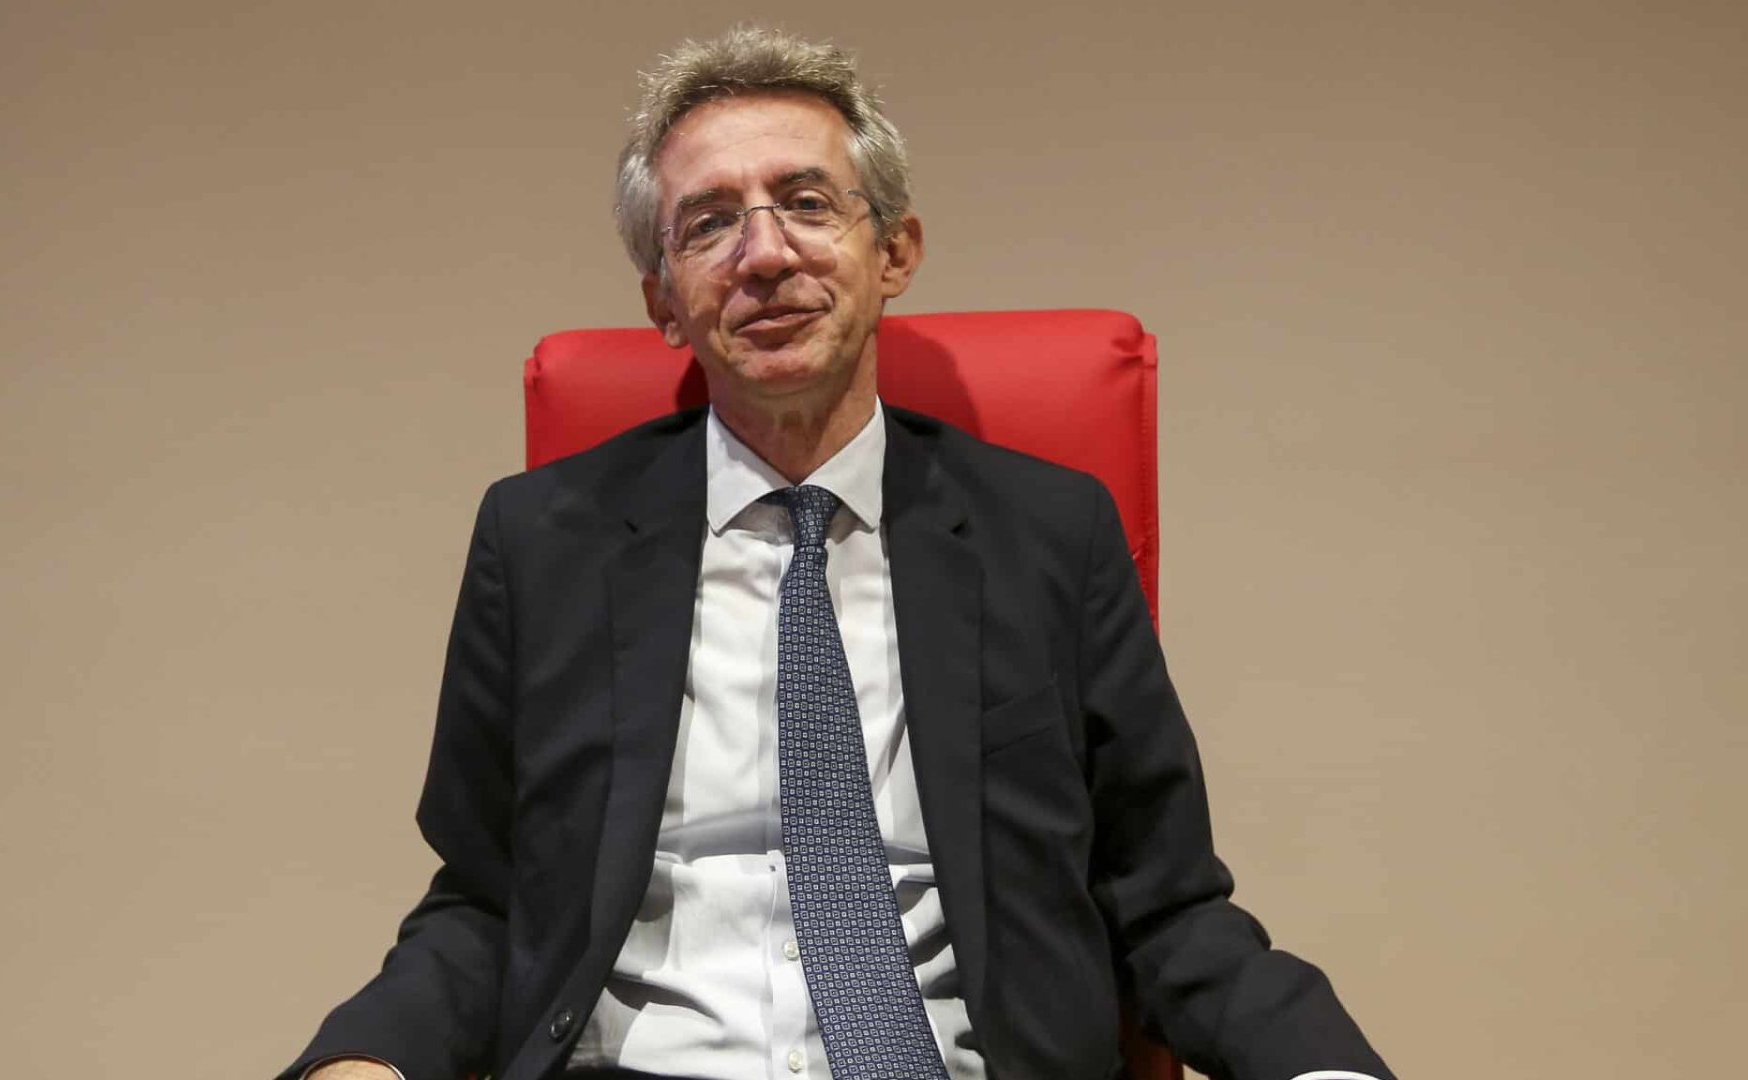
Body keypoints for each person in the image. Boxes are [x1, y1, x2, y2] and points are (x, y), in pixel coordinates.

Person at [281, 27, 1394, 1080]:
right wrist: (364, 1058)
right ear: (663, 301)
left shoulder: (1047, 535)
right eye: (708, 224)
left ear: (895, 250)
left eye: (807, 203)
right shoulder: (544, 541)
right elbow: (486, 897)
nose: (764, 255)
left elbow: (1162, 902)